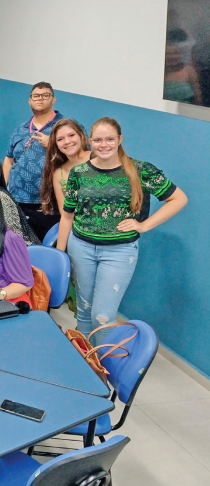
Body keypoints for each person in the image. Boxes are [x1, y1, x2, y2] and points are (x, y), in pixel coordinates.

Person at [57, 117, 187, 344]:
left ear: (120, 139)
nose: (103, 144)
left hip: (120, 252)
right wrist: (60, 255)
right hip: (81, 248)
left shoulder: (140, 170)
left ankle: (105, 368)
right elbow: (67, 216)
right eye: (98, 140)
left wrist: (144, 225)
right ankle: (89, 365)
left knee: (103, 316)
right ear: (90, 141)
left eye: (110, 139)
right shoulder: (79, 172)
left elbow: (178, 198)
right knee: (84, 311)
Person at [2, 82, 67, 240]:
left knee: (41, 253)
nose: (40, 99)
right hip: (17, 202)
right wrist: (3, 190)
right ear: (29, 100)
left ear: (53, 99)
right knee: (15, 248)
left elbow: (81, 156)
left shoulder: (64, 127)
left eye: (46, 95)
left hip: (47, 205)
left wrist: (53, 144)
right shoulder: (20, 129)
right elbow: (9, 160)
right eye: (36, 96)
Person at [40, 119, 92, 217]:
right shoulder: (59, 173)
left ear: (81, 135)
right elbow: (65, 214)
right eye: (60, 139)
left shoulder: (98, 158)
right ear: (56, 144)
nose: (67, 142)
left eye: (71, 135)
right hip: (76, 227)